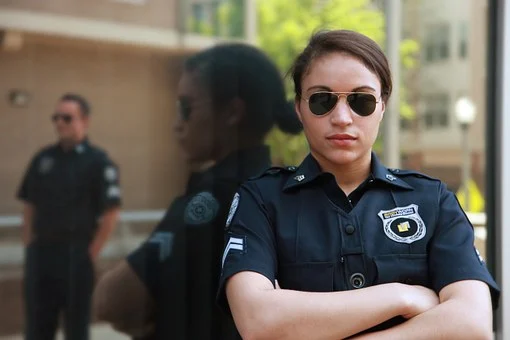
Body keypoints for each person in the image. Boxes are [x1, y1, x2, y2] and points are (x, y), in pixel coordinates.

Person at [218, 30, 500, 340]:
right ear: (299, 107)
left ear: (382, 105)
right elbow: (259, 320)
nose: (341, 118)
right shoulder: (261, 200)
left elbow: (472, 325)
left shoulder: (431, 200)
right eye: (322, 100)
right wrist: (401, 296)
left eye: (361, 101)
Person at [93, 43, 302, 339]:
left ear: (232, 112)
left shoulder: (216, 196)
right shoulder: (282, 189)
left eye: (186, 107)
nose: (178, 124)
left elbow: (111, 301)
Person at [17, 93, 121, 340]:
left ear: (85, 121)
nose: (59, 123)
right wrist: (30, 245)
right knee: (37, 327)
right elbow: (30, 204)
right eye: (56, 117)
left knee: (76, 328)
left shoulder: (99, 162)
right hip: (41, 257)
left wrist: (91, 253)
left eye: (67, 117)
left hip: (76, 258)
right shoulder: (44, 158)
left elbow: (111, 211)